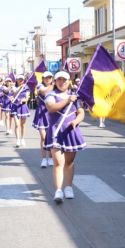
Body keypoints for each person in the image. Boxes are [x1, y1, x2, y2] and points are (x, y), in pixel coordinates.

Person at [44, 71, 86, 203]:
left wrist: (76, 121)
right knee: (58, 162)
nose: (62, 82)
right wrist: (67, 100)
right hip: (56, 131)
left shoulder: (75, 96)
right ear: (55, 82)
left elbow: (81, 112)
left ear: (69, 81)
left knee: (69, 162)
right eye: (59, 80)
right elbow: (51, 108)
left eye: (65, 80)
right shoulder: (51, 95)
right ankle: (58, 191)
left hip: (70, 131)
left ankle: (68, 187)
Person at [32, 71, 54, 167]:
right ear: (43, 78)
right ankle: (44, 159)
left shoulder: (57, 88)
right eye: (46, 77)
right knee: (43, 137)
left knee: (52, 137)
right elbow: (44, 92)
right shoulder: (40, 86)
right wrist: (54, 85)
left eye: (50, 77)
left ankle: (51, 157)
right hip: (42, 113)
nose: (48, 79)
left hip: (52, 113)